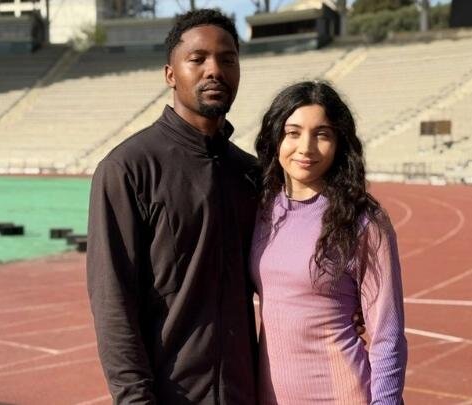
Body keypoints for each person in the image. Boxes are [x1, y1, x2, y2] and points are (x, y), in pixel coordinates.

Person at [86, 9, 260, 404]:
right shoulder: (128, 169)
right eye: (198, 59)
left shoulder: (250, 174)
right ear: (170, 74)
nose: (214, 70)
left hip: (244, 393)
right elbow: (113, 301)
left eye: (227, 59)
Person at [250, 81, 408, 404]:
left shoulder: (363, 221)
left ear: (339, 144)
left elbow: (387, 334)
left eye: (321, 134)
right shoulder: (260, 210)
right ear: (276, 138)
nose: (305, 147)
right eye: (293, 133)